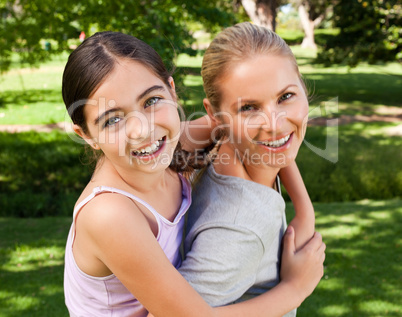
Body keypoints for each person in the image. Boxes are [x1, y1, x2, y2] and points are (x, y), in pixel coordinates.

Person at [62, 31, 325, 317]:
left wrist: (304, 208)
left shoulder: (171, 145)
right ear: (86, 135)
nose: (142, 130)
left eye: (151, 101)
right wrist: (296, 288)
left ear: (171, 90)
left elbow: (271, 137)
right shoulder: (110, 214)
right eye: (113, 119)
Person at [179, 22, 317, 315]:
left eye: (285, 97)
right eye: (249, 108)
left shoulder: (230, 146)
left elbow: (280, 145)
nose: (275, 123)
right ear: (214, 115)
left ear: (302, 86)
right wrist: (294, 291)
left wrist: (305, 209)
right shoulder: (239, 228)